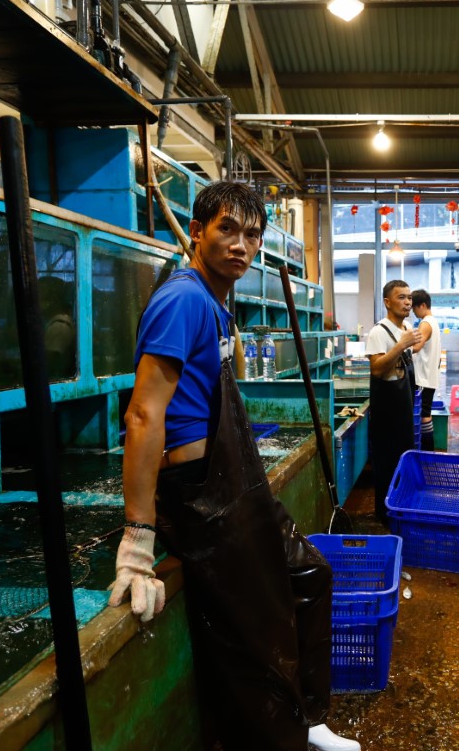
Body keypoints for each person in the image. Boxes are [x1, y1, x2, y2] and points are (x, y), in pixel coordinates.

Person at [108, 181, 358, 751]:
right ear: (197, 232)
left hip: (233, 483)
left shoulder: (216, 302)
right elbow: (144, 416)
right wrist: (139, 537)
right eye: (226, 229)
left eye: (252, 235)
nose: (240, 245)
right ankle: (278, 737)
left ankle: (307, 717)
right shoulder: (183, 300)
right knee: (256, 623)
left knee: (310, 576)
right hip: (199, 494)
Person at [366, 280, 420, 521]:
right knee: (386, 462)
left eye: (409, 297)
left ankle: (400, 508)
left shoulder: (405, 327)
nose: (407, 302)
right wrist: (401, 345)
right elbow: (377, 369)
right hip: (386, 409)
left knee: (403, 457)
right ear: (387, 302)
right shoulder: (379, 331)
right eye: (401, 297)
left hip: (404, 406)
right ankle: (385, 515)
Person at [411, 289, 441, 451]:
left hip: (423, 378)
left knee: (424, 416)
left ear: (422, 305)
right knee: (425, 413)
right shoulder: (434, 322)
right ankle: (429, 452)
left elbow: (416, 347)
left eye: (414, 308)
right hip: (430, 376)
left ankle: (428, 452)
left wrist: (401, 345)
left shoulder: (426, 323)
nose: (413, 312)